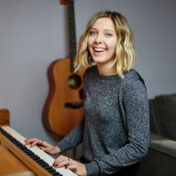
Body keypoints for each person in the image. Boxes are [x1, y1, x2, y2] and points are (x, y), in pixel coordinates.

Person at [25, 10, 150, 176]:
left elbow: (139, 147)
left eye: (108, 34)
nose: (98, 40)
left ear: (121, 41)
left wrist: (89, 168)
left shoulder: (131, 84)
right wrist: (58, 147)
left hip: (117, 172)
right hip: (88, 165)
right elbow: (89, 122)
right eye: (93, 33)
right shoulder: (89, 75)